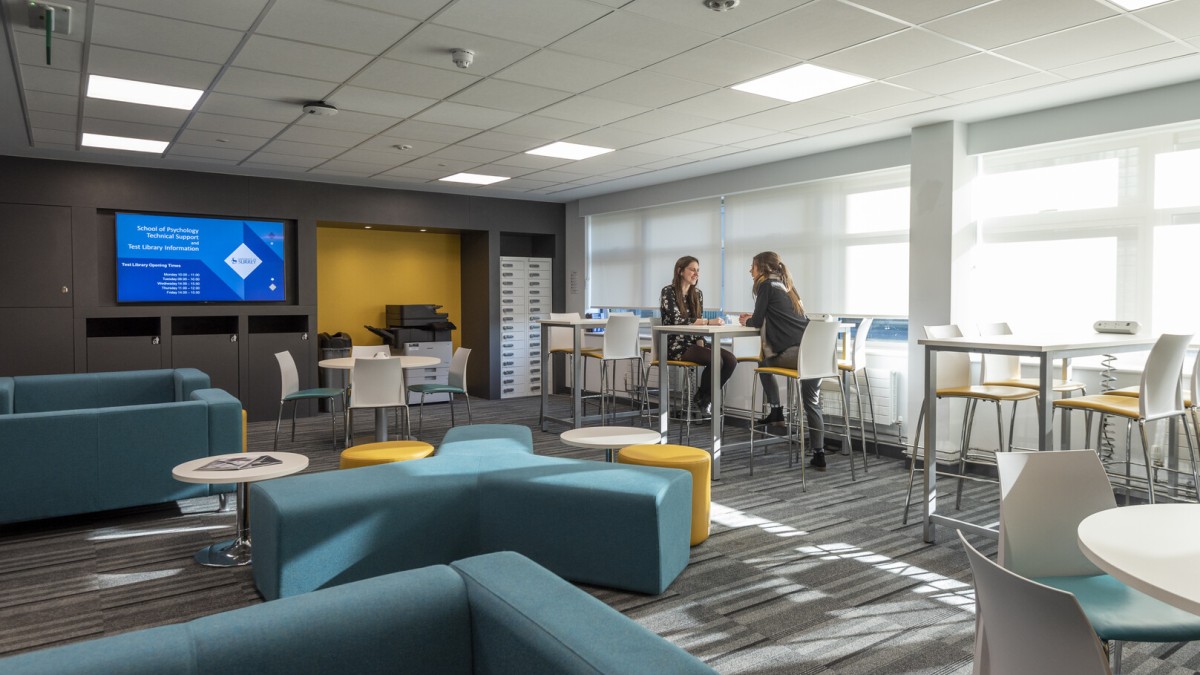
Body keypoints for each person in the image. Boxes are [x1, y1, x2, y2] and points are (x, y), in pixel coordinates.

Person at [738, 251, 828, 470]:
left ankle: (777, 410)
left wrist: (746, 320)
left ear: (762, 268)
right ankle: (819, 454)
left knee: (762, 363)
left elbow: (757, 321)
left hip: (794, 353)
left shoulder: (766, 286)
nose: (751, 271)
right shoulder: (788, 287)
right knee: (811, 403)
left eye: (753, 266)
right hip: (815, 354)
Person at [659, 256, 736, 415]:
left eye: (698, 270)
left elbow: (697, 320)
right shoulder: (668, 291)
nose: (696, 274)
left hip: (693, 342)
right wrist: (708, 322)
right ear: (680, 271)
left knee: (730, 360)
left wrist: (700, 340)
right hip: (674, 344)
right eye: (692, 269)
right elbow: (677, 320)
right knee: (715, 359)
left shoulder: (697, 294)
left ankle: (704, 396)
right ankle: (704, 399)